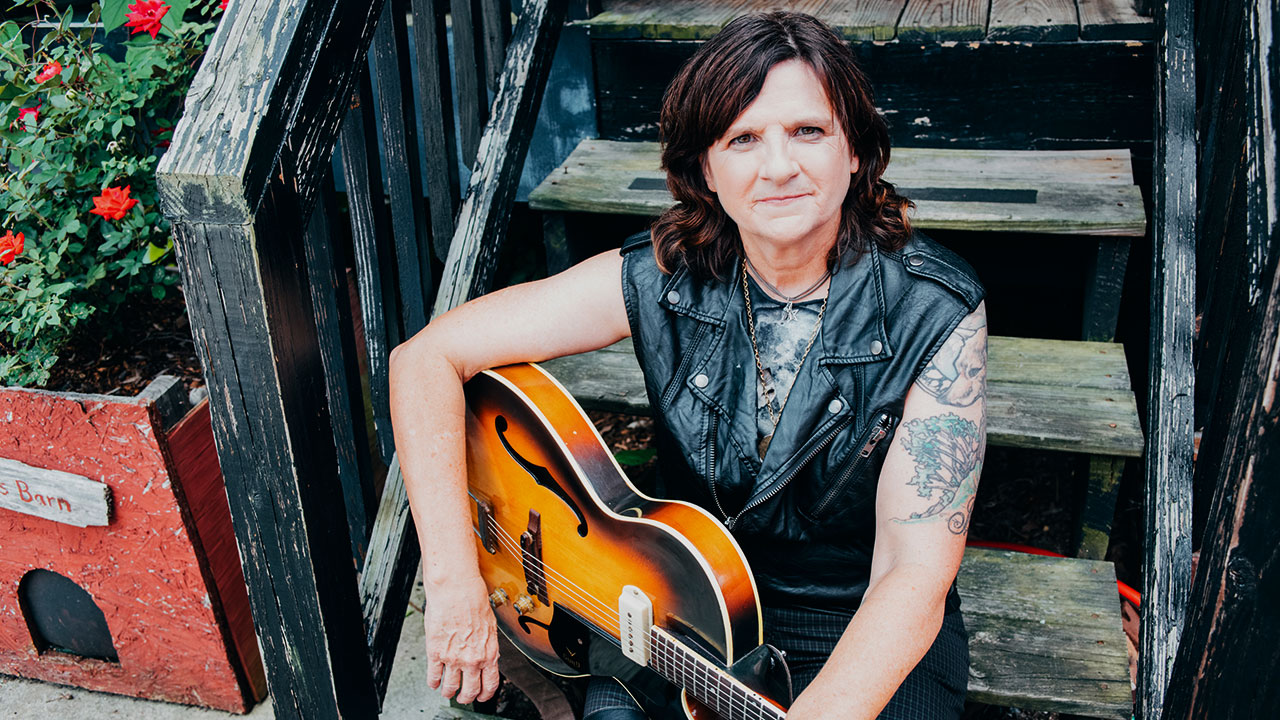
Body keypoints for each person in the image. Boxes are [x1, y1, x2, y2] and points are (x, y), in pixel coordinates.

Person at [388, 11, 987, 720]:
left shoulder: (934, 308)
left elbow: (911, 573)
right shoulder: (665, 275)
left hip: (855, 623)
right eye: (742, 139)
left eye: (808, 131)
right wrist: (454, 584)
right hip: (673, 608)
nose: (779, 167)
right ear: (705, 168)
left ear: (853, 149)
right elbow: (425, 359)